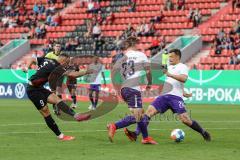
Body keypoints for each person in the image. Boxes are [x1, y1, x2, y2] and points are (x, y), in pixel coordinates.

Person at [123, 49, 211, 142]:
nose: (170, 58)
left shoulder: (182, 66)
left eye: (172, 57)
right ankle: (136, 134)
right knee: (148, 113)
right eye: (169, 57)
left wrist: (170, 75)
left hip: (175, 97)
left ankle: (203, 132)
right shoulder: (169, 66)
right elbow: (172, 81)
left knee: (185, 119)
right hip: (164, 96)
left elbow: (183, 79)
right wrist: (182, 90)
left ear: (178, 57)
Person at [25, 54, 92, 141]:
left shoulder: (47, 59)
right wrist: (87, 71)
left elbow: (32, 58)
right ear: (63, 61)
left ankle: (76, 116)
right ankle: (60, 136)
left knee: (57, 99)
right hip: (33, 90)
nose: (67, 65)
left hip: (39, 88)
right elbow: (73, 75)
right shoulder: (57, 67)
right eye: (67, 63)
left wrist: (26, 67)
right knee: (46, 112)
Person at [107, 36, 157, 144]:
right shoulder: (141, 55)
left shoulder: (122, 57)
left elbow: (115, 75)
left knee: (141, 114)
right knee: (138, 116)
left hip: (124, 89)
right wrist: (149, 83)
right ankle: (114, 126)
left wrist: (118, 90)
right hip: (133, 88)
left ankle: (143, 137)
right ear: (134, 44)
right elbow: (148, 71)